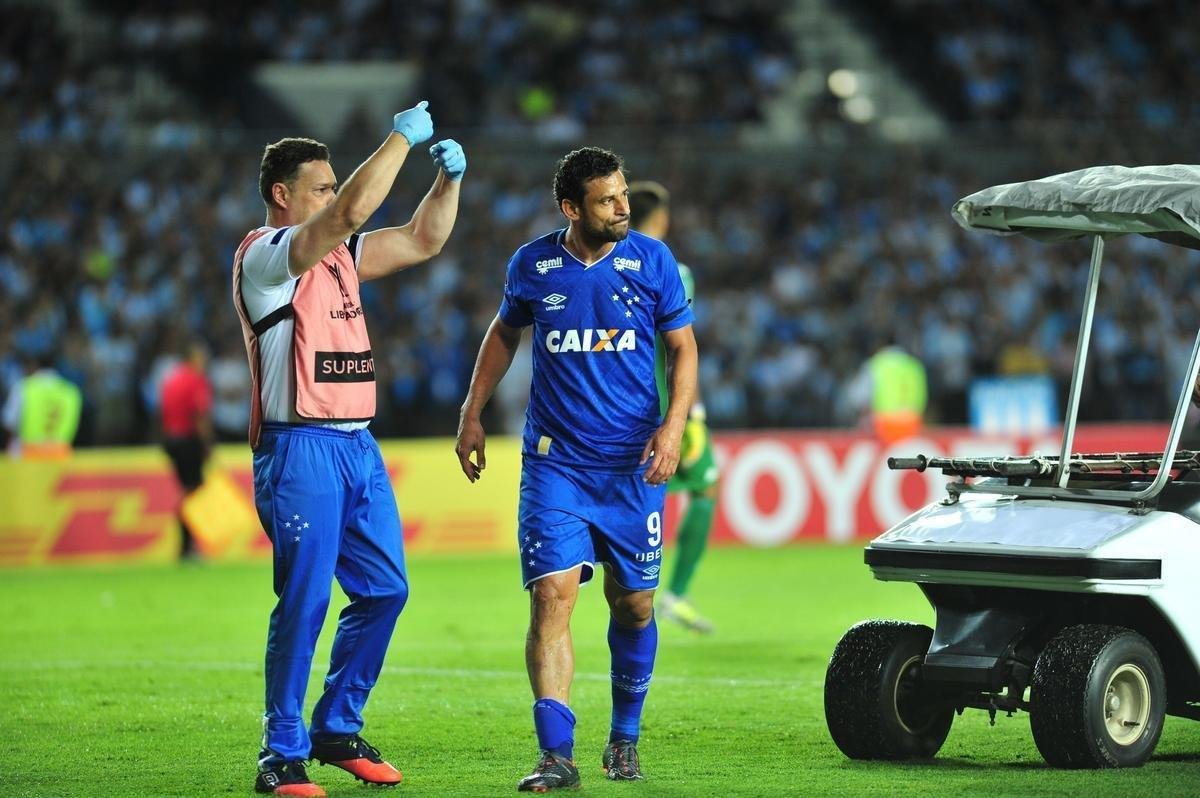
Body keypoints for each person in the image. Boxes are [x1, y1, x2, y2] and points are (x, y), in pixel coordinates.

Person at [233, 100, 465, 797]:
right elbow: (345, 217)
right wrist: (397, 137)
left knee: (386, 589)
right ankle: (281, 753)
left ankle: (335, 728)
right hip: (298, 446)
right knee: (304, 601)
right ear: (284, 196)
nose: (335, 198)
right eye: (323, 185)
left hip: (357, 447)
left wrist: (447, 184)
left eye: (336, 185)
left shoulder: (339, 257)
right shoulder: (267, 256)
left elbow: (423, 240)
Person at [455, 147, 698, 791]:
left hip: (631, 467)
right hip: (555, 464)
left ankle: (624, 738)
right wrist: (472, 411)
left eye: (623, 195)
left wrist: (672, 428)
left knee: (635, 604)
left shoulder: (652, 261)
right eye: (608, 200)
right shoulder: (533, 264)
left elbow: (682, 348)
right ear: (571, 208)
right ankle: (556, 756)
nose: (624, 207)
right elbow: (505, 333)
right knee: (551, 599)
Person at [628, 181, 718, 634]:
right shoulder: (673, 270)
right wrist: (691, 415)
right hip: (668, 412)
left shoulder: (610, 263)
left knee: (640, 497)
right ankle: (672, 594)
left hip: (621, 408)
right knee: (702, 489)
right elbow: (680, 348)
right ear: (660, 219)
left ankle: (636, 592)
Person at [158, 340, 214, 559]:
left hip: (172, 440)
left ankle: (187, 545)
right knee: (192, 494)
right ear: (194, 358)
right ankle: (187, 546)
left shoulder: (171, 379)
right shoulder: (195, 380)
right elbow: (199, 415)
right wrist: (207, 445)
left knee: (188, 491)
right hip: (189, 441)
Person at [845, 335, 928, 444]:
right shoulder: (914, 365)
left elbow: (857, 397)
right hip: (913, 425)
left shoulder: (875, 365)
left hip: (885, 427)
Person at [2, 353, 82, 459]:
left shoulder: (24, 387)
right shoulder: (71, 391)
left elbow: (8, 422)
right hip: (61, 457)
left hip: (28, 456)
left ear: (33, 365)